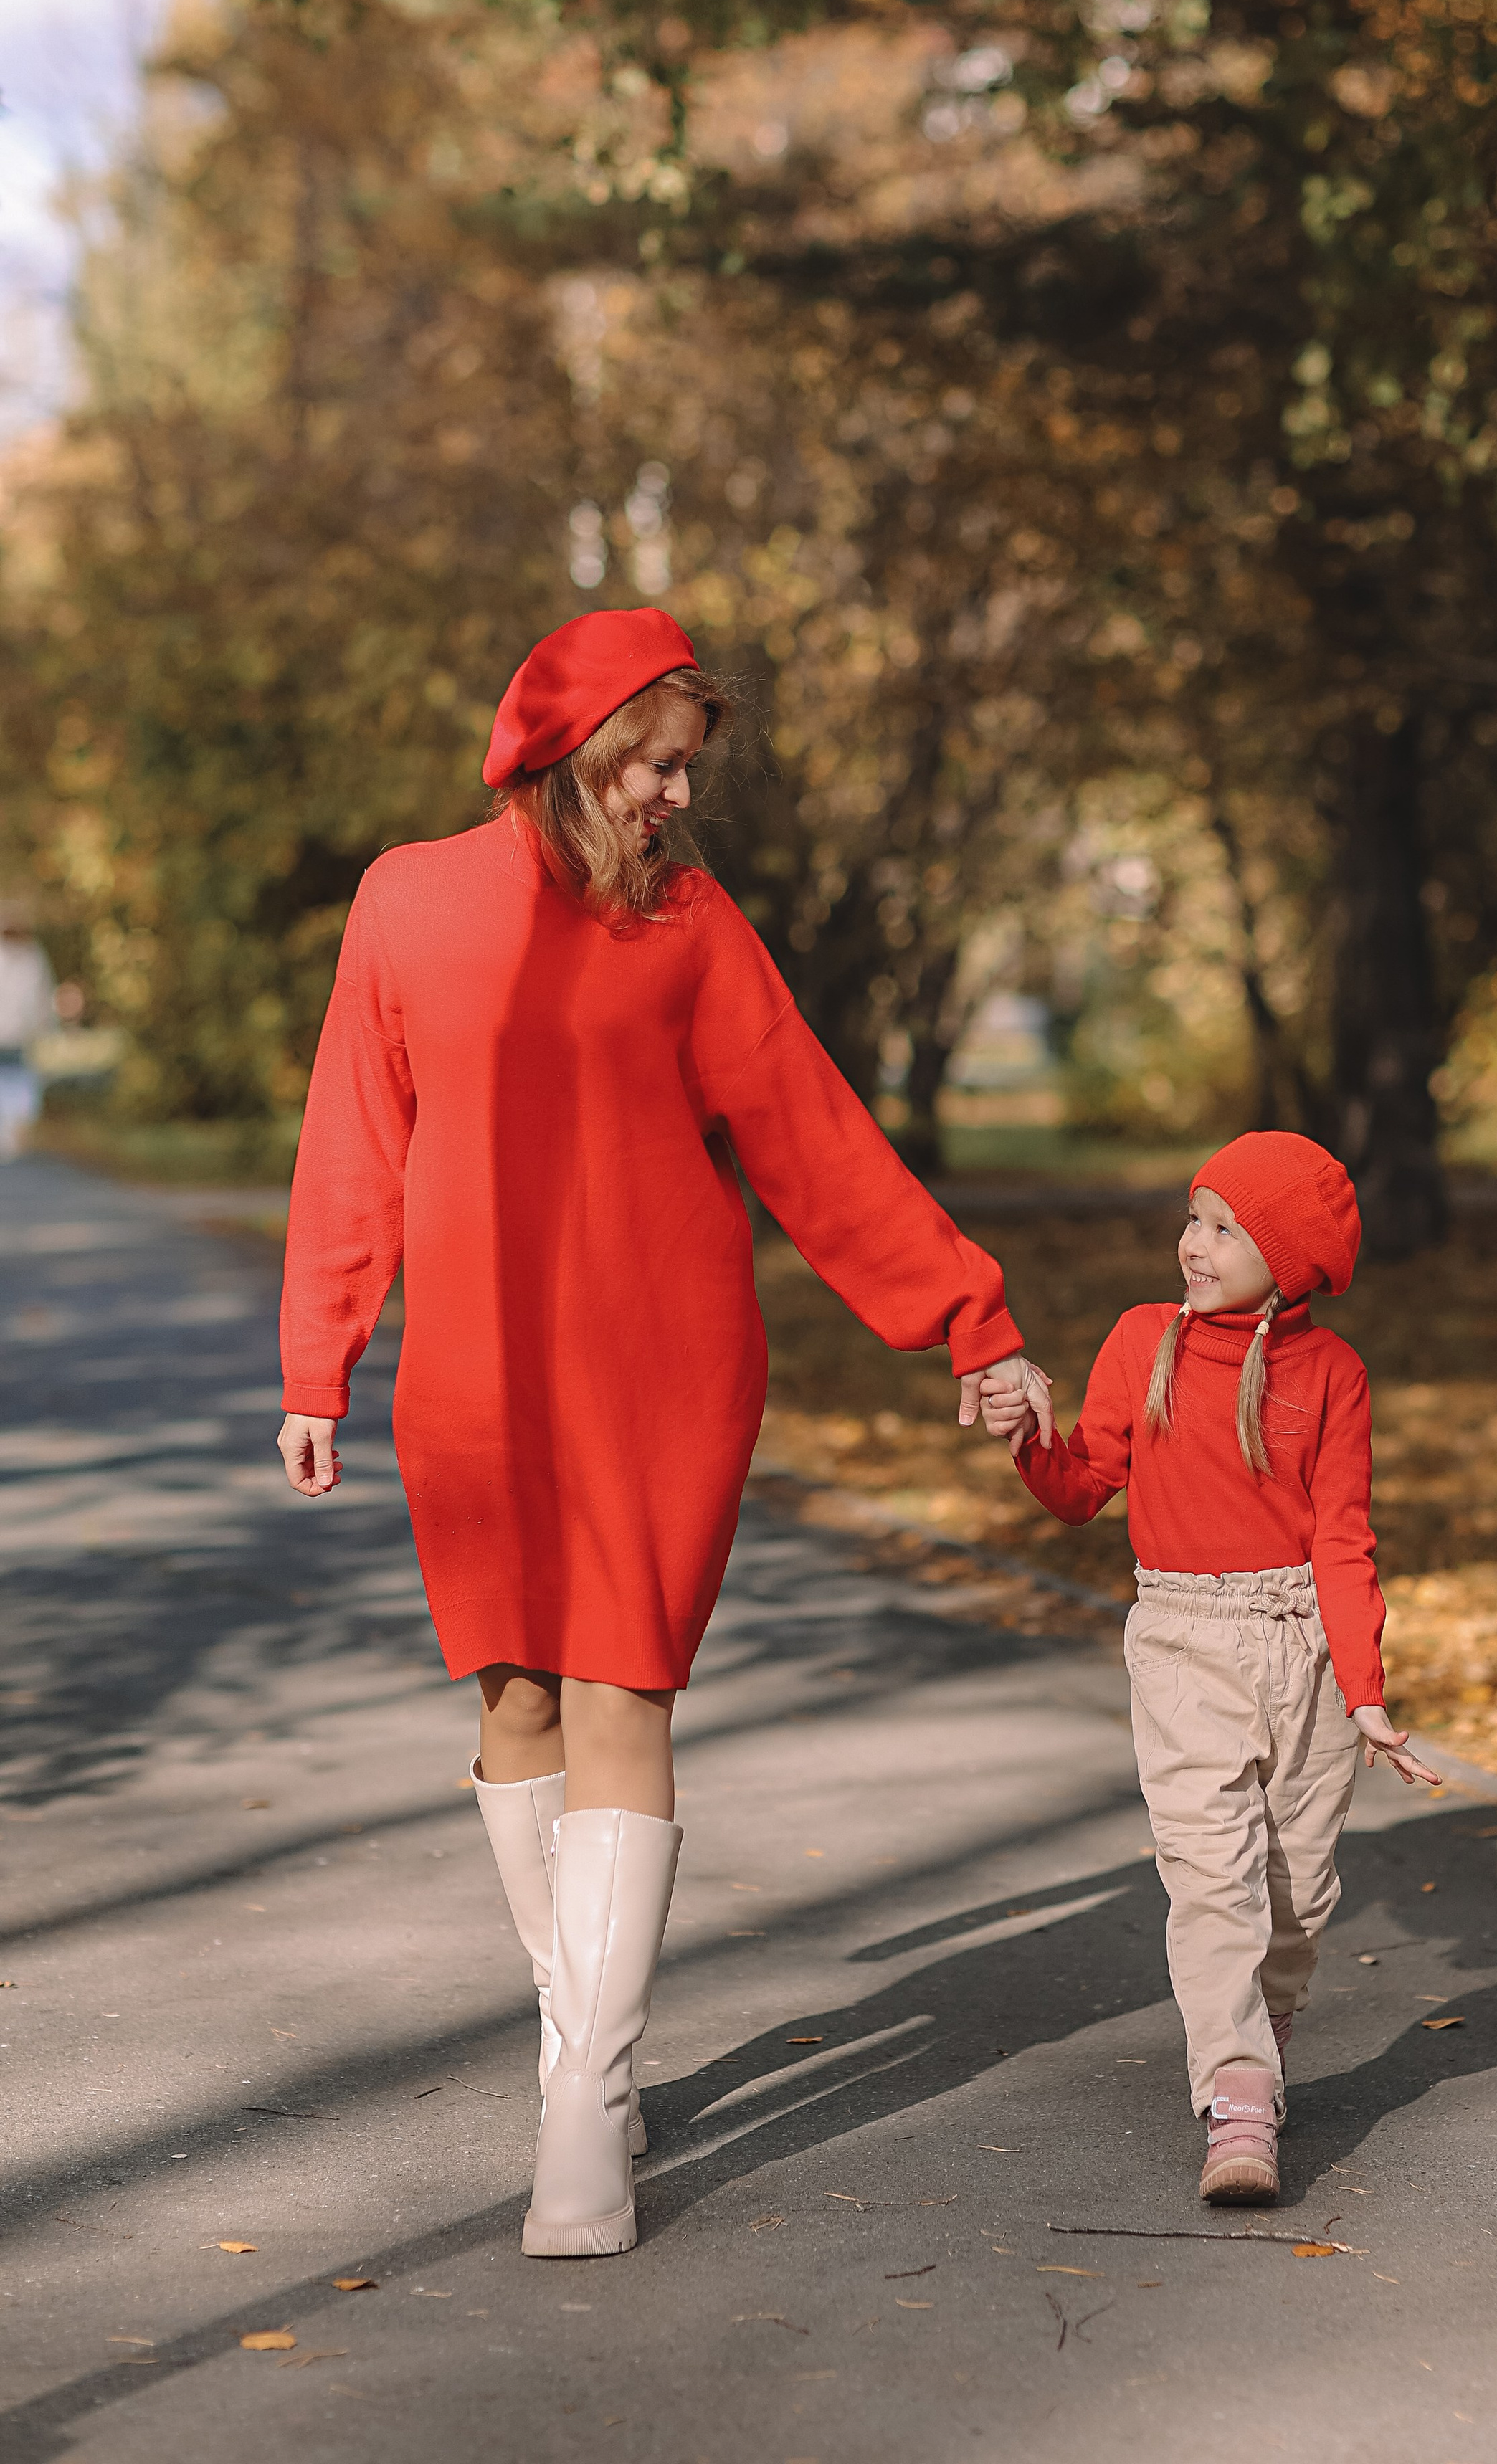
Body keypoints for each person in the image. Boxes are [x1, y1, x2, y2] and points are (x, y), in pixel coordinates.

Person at [277, 606, 1051, 2262]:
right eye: (659, 762)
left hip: (660, 1362)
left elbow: (817, 1144)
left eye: (690, 767)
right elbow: (356, 1132)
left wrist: (966, 1315)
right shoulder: (406, 900)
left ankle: (581, 2100)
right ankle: (585, 2030)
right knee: (513, 1691)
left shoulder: (691, 927)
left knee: (624, 1680)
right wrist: (314, 1357)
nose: (678, 797)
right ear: (576, 745)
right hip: (472, 1374)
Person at [978, 1130, 1437, 2208]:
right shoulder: (1144, 1341)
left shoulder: (1333, 1374)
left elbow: (1344, 1540)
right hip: (1184, 1639)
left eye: (1227, 1229)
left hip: (1306, 1651)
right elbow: (1083, 1483)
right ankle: (1237, 2094)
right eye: (1195, 1217)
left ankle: (1260, 2042)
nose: (1196, 1243)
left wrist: (1364, 1694)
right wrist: (1027, 1440)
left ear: (1293, 1259)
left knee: (1298, 1894)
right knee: (1211, 1875)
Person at [0, 903, 57, 1161]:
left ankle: (12, 1134)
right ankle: (9, 1133)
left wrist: (46, 1027)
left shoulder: (33, 957)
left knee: (19, 1083)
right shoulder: (32, 957)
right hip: (14, 1032)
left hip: (19, 1034)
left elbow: (42, 997)